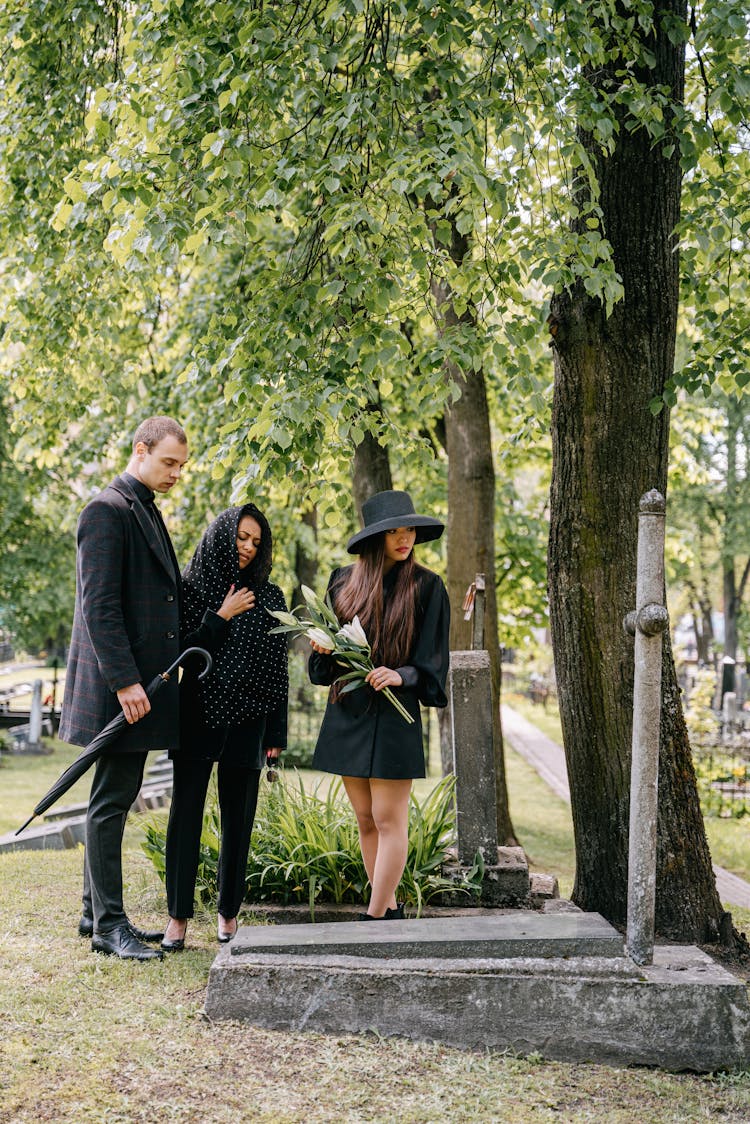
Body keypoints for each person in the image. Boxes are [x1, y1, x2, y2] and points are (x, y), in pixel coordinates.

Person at [59, 416, 189, 961]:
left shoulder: (145, 510)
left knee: (111, 797)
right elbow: (99, 608)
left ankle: (95, 914)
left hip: (144, 688)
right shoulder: (106, 509)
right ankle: (111, 927)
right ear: (141, 450)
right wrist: (127, 683)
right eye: (168, 462)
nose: (176, 474)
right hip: (123, 690)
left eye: (182, 466)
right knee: (112, 801)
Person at [308, 489, 450, 920]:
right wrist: (323, 649)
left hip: (395, 715)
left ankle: (371, 919)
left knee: (390, 819)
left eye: (409, 530)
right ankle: (387, 911)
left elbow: (432, 662)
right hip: (349, 712)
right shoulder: (341, 582)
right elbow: (321, 667)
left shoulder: (428, 586)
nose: (405, 538)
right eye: (395, 531)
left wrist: (400, 674)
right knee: (366, 819)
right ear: (376, 537)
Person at [161, 504, 289, 951]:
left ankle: (228, 914)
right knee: (186, 816)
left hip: (250, 719)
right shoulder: (190, 589)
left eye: (257, 541)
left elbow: (278, 670)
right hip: (197, 715)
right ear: (222, 535)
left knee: (240, 819)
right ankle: (177, 918)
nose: (249, 548)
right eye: (242, 537)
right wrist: (222, 615)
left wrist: (276, 736)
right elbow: (182, 652)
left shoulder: (271, 597)